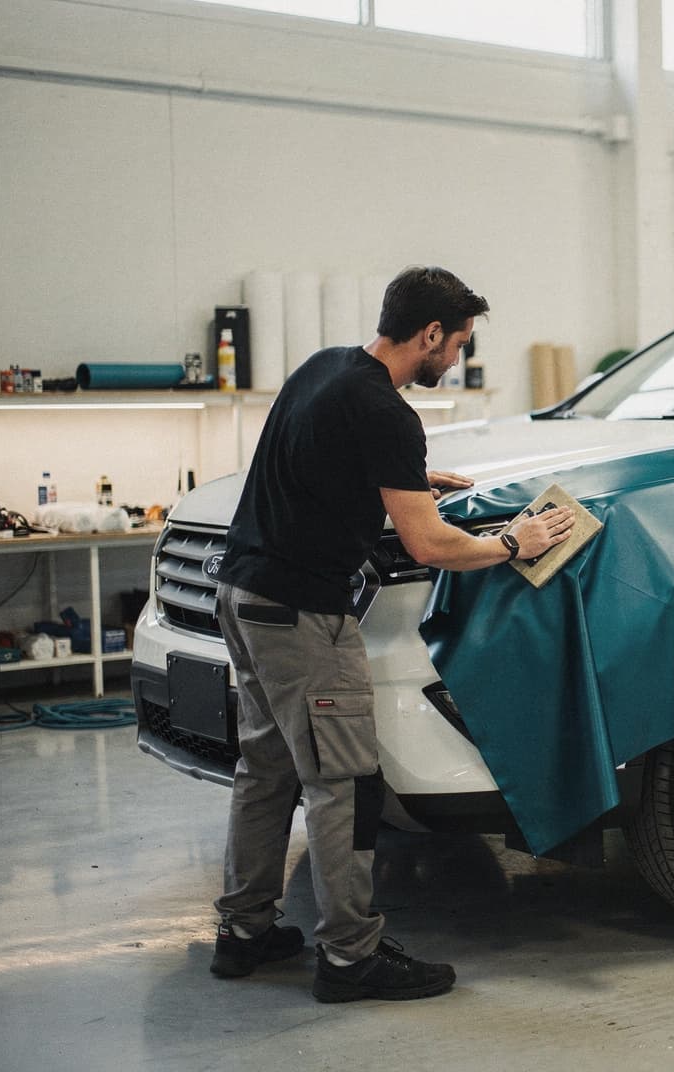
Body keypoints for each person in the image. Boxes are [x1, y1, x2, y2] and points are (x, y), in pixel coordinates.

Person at [208, 266, 575, 1001]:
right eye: (459, 344)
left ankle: (244, 932)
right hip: (306, 617)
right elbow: (432, 549)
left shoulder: (327, 369)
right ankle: (349, 958)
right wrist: (516, 543)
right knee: (342, 784)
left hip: (242, 596)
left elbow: (311, 467)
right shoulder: (386, 413)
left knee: (266, 773)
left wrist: (406, 478)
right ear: (430, 334)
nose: (459, 358)